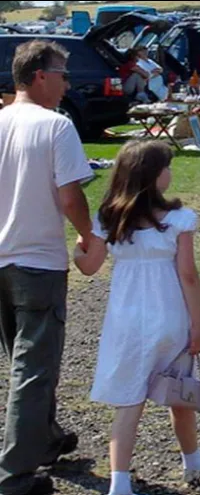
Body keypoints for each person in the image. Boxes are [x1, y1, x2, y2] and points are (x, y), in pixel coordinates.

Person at [73, 140, 200, 495]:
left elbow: (90, 266)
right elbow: (188, 275)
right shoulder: (177, 220)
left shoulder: (109, 218)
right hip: (169, 316)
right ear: (155, 176)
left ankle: (119, 483)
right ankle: (193, 460)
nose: (170, 172)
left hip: (126, 320)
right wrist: (197, 325)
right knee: (179, 392)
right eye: (167, 167)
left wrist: (76, 253)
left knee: (129, 399)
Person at [0, 39, 94, 495]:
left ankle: (45, 439)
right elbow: (70, 195)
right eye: (62, 73)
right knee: (32, 368)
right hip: (36, 261)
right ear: (39, 75)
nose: (67, 83)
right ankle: (16, 477)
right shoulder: (56, 127)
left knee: (25, 362)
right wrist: (90, 234)